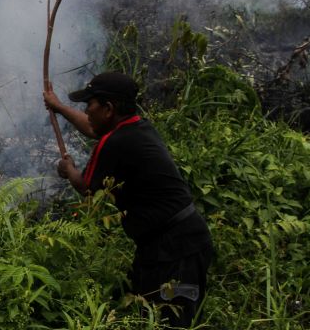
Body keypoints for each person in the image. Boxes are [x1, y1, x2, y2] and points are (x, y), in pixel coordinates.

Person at [44, 72, 213, 328]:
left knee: (170, 321)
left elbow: (89, 190)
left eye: (90, 104)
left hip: (174, 252)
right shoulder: (138, 127)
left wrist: (69, 171)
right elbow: (92, 128)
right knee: (151, 314)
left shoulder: (115, 142)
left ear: (108, 109)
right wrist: (59, 107)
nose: (87, 111)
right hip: (179, 242)